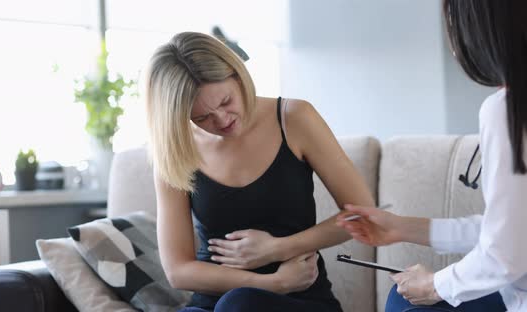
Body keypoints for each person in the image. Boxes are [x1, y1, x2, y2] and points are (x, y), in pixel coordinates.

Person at [144, 31, 375, 311]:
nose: (222, 119)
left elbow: (362, 213)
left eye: (226, 101)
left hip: (299, 300)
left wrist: (278, 248)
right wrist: (272, 283)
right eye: (202, 117)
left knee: (240, 303)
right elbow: (178, 271)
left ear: (238, 76)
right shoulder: (176, 150)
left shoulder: (294, 118)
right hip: (212, 303)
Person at [336, 1, 527, 311]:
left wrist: (435, 285)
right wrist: (403, 228)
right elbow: (512, 228)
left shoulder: (507, 111)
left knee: (407, 303)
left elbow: (506, 252)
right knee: (401, 298)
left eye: (451, 22)